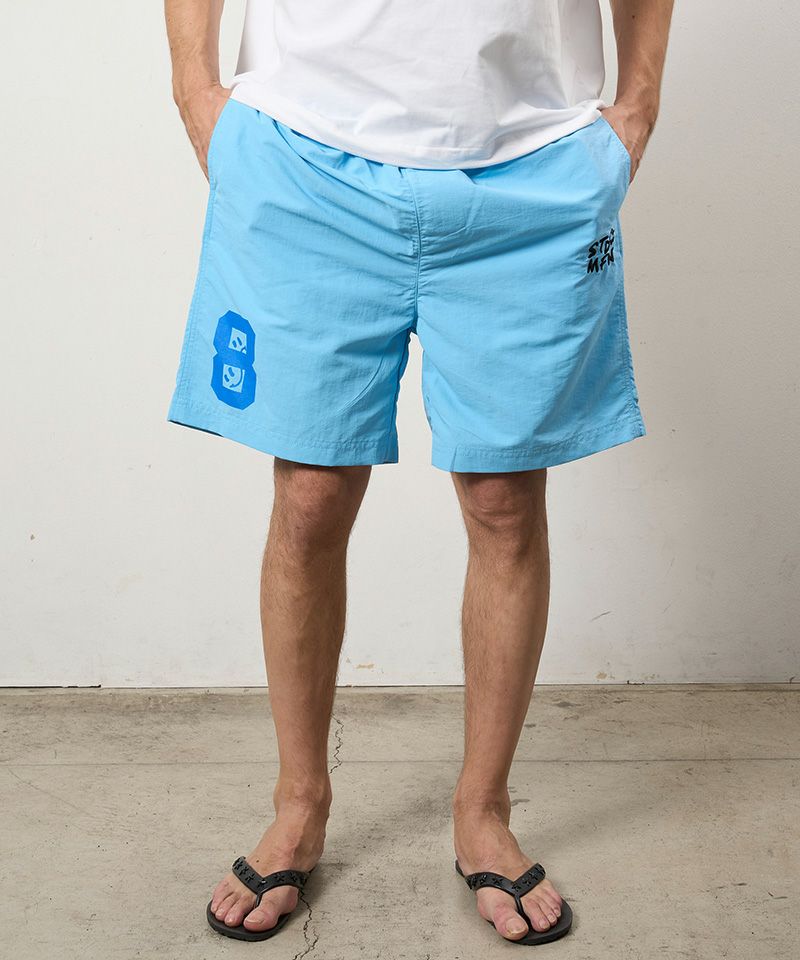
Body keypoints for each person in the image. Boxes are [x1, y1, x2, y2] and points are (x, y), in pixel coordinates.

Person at [164, 0, 673, 945]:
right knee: (311, 494)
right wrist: (196, 92)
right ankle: (299, 801)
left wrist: (637, 102)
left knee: (504, 499)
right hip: (304, 154)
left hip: (534, 162)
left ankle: (484, 811)